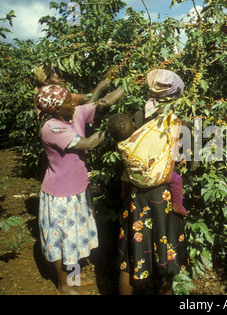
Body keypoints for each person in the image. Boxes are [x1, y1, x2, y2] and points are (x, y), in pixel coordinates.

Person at [36, 84, 124, 295]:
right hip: (60, 193)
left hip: (77, 188)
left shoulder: (73, 113)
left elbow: (105, 103)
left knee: (73, 237)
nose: (74, 102)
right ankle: (63, 285)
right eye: (68, 101)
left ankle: (73, 277)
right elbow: (88, 143)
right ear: (55, 109)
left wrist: (126, 84)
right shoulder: (52, 128)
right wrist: (118, 126)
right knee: (61, 239)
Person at [109, 69, 189, 295]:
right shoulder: (177, 121)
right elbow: (191, 162)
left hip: (136, 195)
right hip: (162, 197)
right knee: (165, 252)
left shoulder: (135, 117)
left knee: (133, 253)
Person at [32, 64, 112, 117]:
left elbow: (88, 96)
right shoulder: (44, 100)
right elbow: (85, 111)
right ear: (46, 81)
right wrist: (99, 89)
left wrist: (103, 82)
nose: (63, 80)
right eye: (58, 77)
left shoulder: (61, 95)